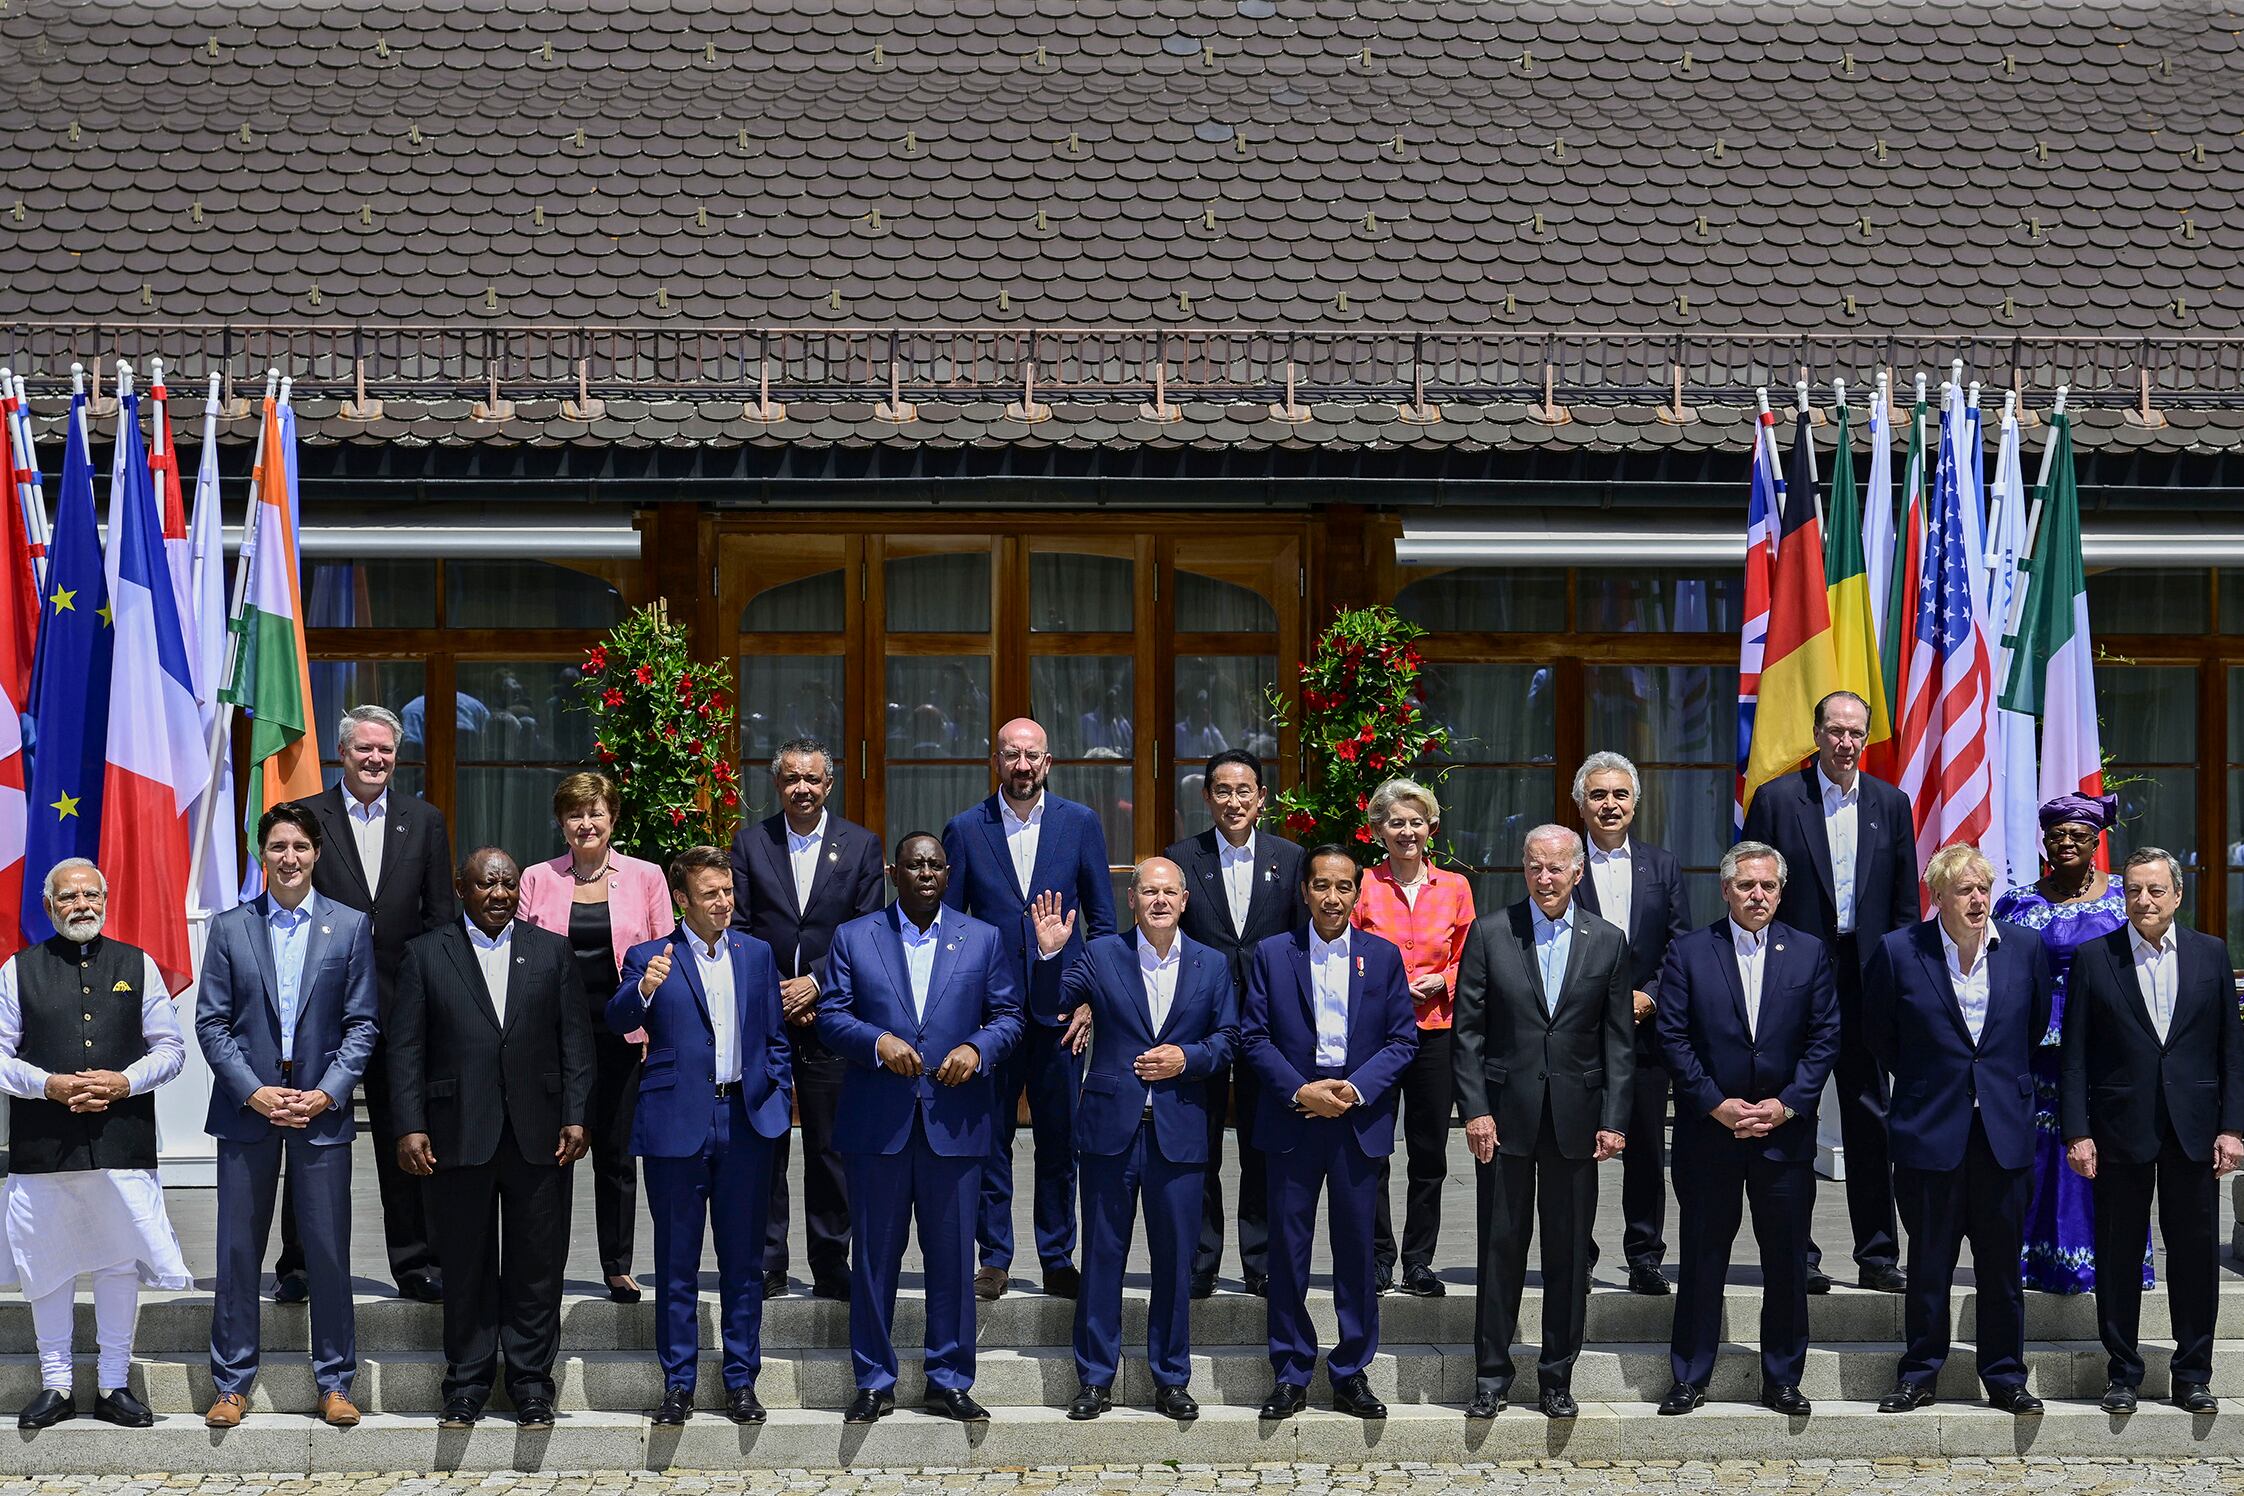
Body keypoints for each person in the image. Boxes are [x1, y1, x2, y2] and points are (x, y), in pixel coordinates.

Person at [817, 833, 1023, 1425]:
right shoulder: (856, 937)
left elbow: (1008, 1017)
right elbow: (831, 1016)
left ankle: (949, 1379)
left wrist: (976, 1050)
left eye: (935, 865)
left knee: (954, 1263)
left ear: (948, 872)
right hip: (877, 1126)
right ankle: (874, 1380)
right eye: (914, 865)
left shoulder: (981, 939)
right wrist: (876, 1042)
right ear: (893, 872)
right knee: (875, 1261)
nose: (926, 873)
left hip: (954, 1123)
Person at [391, 848, 595, 1429]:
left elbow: (576, 1042)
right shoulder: (427, 954)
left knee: (537, 1264)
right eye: (487, 884)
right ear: (462, 888)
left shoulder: (551, 951)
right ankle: (467, 1381)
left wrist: (577, 1114)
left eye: (508, 883)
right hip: (457, 1134)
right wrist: (410, 1124)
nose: (500, 893)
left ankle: (531, 1383)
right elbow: (405, 1048)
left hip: (540, 1135)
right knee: (466, 1261)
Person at [197, 804, 380, 1430]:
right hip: (249, 1110)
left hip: (319, 1111)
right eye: (277, 846)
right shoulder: (229, 928)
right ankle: (231, 1382)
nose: (289, 858)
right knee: (237, 1251)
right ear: (261, 853)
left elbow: (362, 1024)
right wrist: (253, 1091)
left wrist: (328, 1093)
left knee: (327, 1251)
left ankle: (335, 1380)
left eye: (300, 846)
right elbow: (212, 1023)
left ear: (317, 853)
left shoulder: (350, 927)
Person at [1041, 858, 1236, 1422]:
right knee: (1103, 1257)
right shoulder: (1102, 955)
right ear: (1132, 899)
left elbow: (1229, 1038)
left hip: (1179, 1133)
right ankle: (1095, 1379)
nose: (1159, 900)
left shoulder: (1212, 964)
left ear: (1184, 900)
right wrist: (1052, 953)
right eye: (1147, 891)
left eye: (1168, 892)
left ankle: (1171, 1378)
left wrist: (1186, 1057)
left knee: (1175, 1262)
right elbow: (1052, 1003)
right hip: (1110, 1133)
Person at [0, 860, 192, 1430]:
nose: (81, 904)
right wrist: (47, 1085)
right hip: (44, 1147)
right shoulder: (18, 970)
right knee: (48, 1264)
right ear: (49, 906)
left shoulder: (139, 965)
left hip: (120, 1142)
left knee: (116, 1262)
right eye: (68, 897)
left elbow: (171, 1048)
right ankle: (55, 1384)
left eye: (91, 894)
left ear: (106, 899)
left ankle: (113, 1383)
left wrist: (124, 1081)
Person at [1863, 843, 2052, 1417]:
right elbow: (1880, 1034)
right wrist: (1930, 1085)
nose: (1976, 899)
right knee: (1928, 1264)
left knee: (2000, 1269)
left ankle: (2005, 1377)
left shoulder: (2023, 948)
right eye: (1964, 890)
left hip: (2003, 1134)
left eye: (1983, 888)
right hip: (1931, 1130)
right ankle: (1920, 1373)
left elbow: (2035, 1023)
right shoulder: (1900, 951)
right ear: (1937, 896)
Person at [279, 704, 459, 1305]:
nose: (376, 759)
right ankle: (298, 1265)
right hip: (325, 1010)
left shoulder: (424, 820)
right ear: (342, 753)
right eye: (364, 749)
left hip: (405, 1008)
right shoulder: (309, 818)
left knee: (405, 1138)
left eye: (385, 750)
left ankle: (417, 1263)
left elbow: (440, 918)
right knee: (311, 1137)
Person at [1739, 689, 1917, 1293]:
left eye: (1856, 733)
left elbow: (1903, 905)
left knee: (1872, 1117)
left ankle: (1877, 1255)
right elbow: (1755, 889)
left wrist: (1905, 982)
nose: (1845, 742)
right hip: (1800, 977)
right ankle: (1799, 1253)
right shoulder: (1778, 799)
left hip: (1869, 979)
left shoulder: (1892, 805)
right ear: (1816, 735)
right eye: (1835, 731)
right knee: (1797, 1115)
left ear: (1866, 739)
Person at [1450, 826, 1631, 1421]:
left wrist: (1614, 1119)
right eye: (1534, 868)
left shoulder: (1608, 940)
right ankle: (1492, 1376)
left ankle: (1557, 1376)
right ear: (1522, 871)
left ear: (1578, 873)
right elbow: (1468, 1033)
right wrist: (1474, 1109)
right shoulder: (1491, 932)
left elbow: (1618, 1042)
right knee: (1500, 1249)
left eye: (1556, 868)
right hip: (1503, 1121)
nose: (1545, 879)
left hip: (1577, 1121)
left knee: (1567, 1254)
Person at [609, 846, 793, 1427]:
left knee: (743, 1263)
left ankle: (741, 1381)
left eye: (728, 891)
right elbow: (616, 1021)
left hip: (745, 1119)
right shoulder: (649, 955)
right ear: (682, 900)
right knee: (677, 1262)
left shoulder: (757, 954)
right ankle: (679, 1384)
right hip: (676, 1125)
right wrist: (643, 989)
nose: (723, 902)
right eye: (710, 893)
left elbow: (774, 1036)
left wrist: (778, 1094)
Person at [1654, 841, 1838, 1418]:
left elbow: (1825, 1037)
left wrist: (1786, 1105)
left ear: (1780, 892)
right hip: (1711, 1135)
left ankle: (1782, 1377)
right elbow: (1673, 1037)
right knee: (1703, 1256)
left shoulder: (1808, 953)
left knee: (1785, 1263)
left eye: (1768, 886)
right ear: (1725, 888)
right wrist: (1714, 1103)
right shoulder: (1688, 952)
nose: (1757, 895)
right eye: (1745, 885)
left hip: (1783, 1137)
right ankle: (1690, 1376)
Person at [2059, 847, 2244, 1415]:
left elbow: (2231, 1052)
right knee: (2117, 1254)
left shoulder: (2210, 954)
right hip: (2119, 1131)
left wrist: (2233, 1128)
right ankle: (2123, 1373)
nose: (2144, 900)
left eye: (2156, 890)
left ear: (2177, 895)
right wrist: (2077, 1131)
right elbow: (2075, 1058)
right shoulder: (2096, 958)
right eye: (2135, 890)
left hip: (2194, 1131)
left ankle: (2193, 1374)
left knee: (2193, 1256)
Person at [941, 716, 1116, 1300]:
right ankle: (993, 1257)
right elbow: (951, 927)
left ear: (1048, 762)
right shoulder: (966, 829)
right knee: (989, 1137)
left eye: (1032, 756)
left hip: (1062, 1011)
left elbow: (1106, 924)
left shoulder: (1080, 824)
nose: (1022, 766)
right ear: (996, 760)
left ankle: (1057, 1254)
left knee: (1059, 1138)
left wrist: (1094, 997)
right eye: (1011, 755)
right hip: (989, 1015)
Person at [1241, 846, 1417, 1422]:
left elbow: (1402, 1041)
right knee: (1287, 1255)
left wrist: (1353, 1091)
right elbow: (1254, 1037)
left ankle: (1350, 1372)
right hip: (1294, 1118)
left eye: (1344, 886)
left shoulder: (1383, 957)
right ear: (1305, 891)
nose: (1333, 897)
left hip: (1356, 1120)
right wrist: (1301, 1091)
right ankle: (1291, 1370)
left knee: (1355, 1252)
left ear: (1358, 892)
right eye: (1322, 886)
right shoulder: (1273, 954)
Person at [727, 737, 886, 1303]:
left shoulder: (861, 846)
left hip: (832, 1011)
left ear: (828, 784)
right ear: (777, 783)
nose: (802, 788)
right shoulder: (750, 844)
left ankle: (829, 1260)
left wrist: (817, 981)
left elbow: (868, 928)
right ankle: (769, 1259)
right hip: (764, 1013)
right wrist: (773, 988)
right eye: (791, 778)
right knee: (766, 1138)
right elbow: (737, 924)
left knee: (829, 1144)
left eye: (812, 779)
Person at [517, 771, 675, 1305]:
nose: (586, 824)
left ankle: (617, 1265)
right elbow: (519, 958)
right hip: (552, 1040)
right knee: (549, 1156)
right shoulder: (537, 878)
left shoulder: (646, 877)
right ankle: (542, 1266)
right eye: (575, 814)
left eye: (596, 813)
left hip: (621, 1035)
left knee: (615, 1156)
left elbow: (664, 955)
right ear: (561, 822)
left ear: (613, 819)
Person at [1163, 749, 1306, 1298]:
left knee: (1262, 1144)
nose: (1234, 801)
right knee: (1199, 1145)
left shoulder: (1290, 859)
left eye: (1244, 790)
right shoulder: (1182, 857)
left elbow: (1298, 943)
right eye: (1222, 790)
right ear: (1206, 798)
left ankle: (1261, 1259)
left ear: (1262, 797)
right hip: (1201, 1025)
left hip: (1268, 1025)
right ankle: (1201, 1260)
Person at [1993, 793, 2150, 1294]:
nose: (2065, 843)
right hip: (2035, 1049)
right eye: (2056, 835)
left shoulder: (2122, 898)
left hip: (2107, 1048)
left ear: (2096, 841)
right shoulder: (2016, 904)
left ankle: (2116, 1260)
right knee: (2039, 1153)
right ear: (2043, 841)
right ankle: (2032, 1261)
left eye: (2077, 835)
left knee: (2107, 1151)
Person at [1570, 751, 1692, 1296]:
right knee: (1580, 1148)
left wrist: (1650, 995)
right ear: (1581, 805)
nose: (1610, 804)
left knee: (1644, 1146)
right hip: (1579, 1032)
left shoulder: (1662, 865)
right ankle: (1578, 1255)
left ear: (1635, 804)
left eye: (1620, 795)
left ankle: (1644, 1256)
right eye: (1598, 795)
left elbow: (1679, 942)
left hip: (1645, 1031)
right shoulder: (1564, 864)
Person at [1350, 777, 1475, 1298]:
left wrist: (1441, 981)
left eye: (1416, 821)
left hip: (1436, 1031)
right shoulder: (1363, 884)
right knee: (1373, 1149)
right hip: (1377, 1036)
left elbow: (1470, 958)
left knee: (1429, 1153)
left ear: (1432, 828)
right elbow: (1348, 953)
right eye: (1395, 822)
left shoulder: (1456, 887)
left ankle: (1419, 1260)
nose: (1407, 831)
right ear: (1378, 830)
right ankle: (1377, 1258)